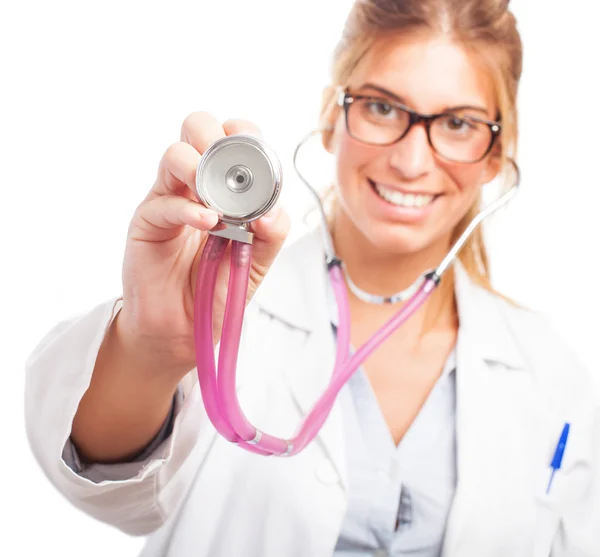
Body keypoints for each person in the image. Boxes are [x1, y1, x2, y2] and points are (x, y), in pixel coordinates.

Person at [24, 0, 599, 556]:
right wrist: (150, 350)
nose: (411, 161)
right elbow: (111, 489)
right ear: (331, 117)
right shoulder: (223, 307)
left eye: (457, 123)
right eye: (381, 107)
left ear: (495, 154)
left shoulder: (553, 373)